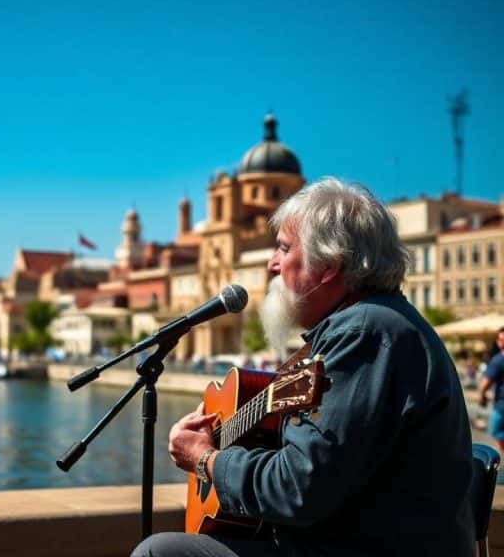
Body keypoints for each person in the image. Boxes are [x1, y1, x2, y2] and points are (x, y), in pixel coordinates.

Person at [132, 178, 474, 557]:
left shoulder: (364, 333)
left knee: (159, 553)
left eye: (283, 248)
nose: (271, 264)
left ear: (328, 264)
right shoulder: (367, 325)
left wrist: (206, 460)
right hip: (341, 539)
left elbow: (299, 488)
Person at [479, 328, 504, 454]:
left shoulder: (498, 360)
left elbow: (484, 384)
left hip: (501, 406)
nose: (501, 342)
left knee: (495, 431)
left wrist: (482, 396)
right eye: (500, 339)